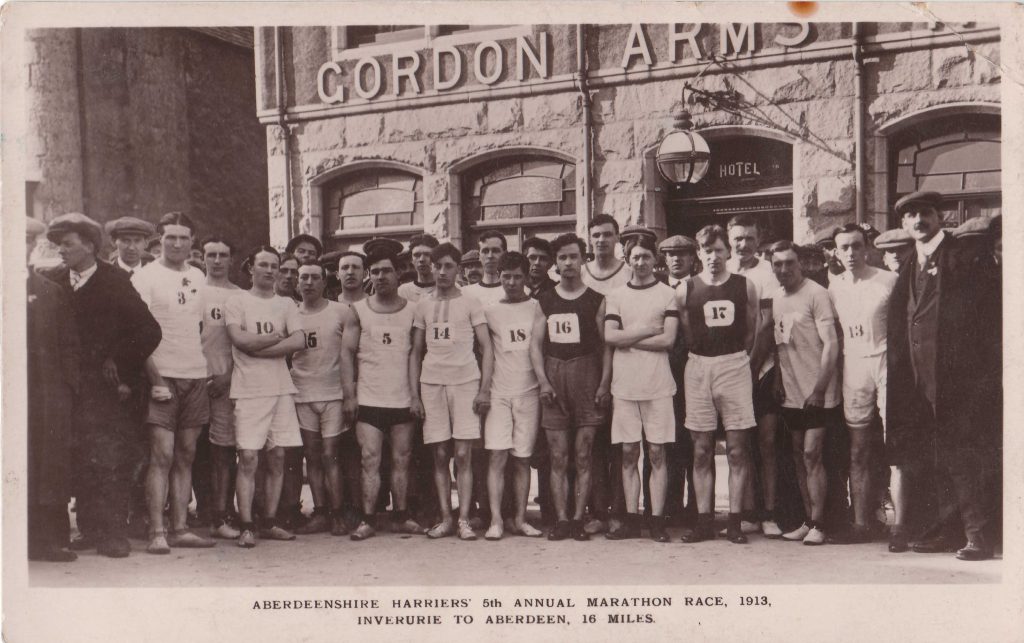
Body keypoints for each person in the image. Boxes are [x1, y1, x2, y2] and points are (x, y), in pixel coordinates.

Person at [887, 191, 997, 561]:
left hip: (959, 381)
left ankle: (978, 536)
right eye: (911, 216)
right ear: (904, 224)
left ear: (939, 217)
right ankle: (947, 531)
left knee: (965, 457)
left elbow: (987, 322)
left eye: (926, 214)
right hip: (919, 382)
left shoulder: (963, 258)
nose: (919, 221)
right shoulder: (907, 266)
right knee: (934, 457)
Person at [44, 213, 162, 558]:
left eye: (68, 244)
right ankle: (90, 530)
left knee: (110, 460)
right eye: (59, 245)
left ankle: (113, 533)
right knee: (79, 457)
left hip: (109, 392)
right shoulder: (54, 281)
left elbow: (149, 330)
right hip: (69, 389)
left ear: (91, 247)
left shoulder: (115, 281)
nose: (61, 251)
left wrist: (119, 361)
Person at [131, 212, 215, 553]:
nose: (177, 243)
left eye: (183, 238)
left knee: (186, 454)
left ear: (192, 241)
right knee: (161, 455)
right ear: (159, 241)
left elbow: (200, 327)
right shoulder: (145, 276)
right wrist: (155, 379)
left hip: (195, 375)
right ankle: (157, 532)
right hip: (161, 376)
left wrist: (206, 370)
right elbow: (138, 336)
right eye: (170, 238)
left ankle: (180, 527)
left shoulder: (198, 275)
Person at [677, 225, 759, 544]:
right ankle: (703, 521)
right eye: (707, 251)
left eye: (719, 250)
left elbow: (752, 329)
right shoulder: (686, 289)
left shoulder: (745, 286)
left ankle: (735, 521)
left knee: (738, 449)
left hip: (734, 364)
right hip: (698, 366)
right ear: (699, 254)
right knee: (701, 449)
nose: (713, 257)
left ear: (729, 252)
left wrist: (737, 360)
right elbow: (686, 331)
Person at [224, 246, 308, 548]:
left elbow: (299, 341)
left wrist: (258, 347)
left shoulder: (286, 304)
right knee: (247, 457)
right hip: (248, 390)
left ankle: (270, 521)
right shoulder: (237, 301)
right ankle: (247, 524)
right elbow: (239, 340)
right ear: (251, 268)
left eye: (275, 265)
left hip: (281, 389)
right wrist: (275, 340)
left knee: (277, 457)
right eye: (264, 265)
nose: (270, 271)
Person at [409, 243, 493, 540]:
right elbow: (415, 352)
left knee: (463, 454)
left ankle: (465, 519)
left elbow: (487, 348)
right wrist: (415, 395)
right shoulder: (423, 304)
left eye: (447, 266)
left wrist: (484, 390)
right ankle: (446, 517)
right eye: (437, 266)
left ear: (458, 268)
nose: (441, 271)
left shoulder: (470, 302)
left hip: (465, 382)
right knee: (440, 453)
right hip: (432, 384)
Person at [342, 250, 427, 540]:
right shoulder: (359, 310)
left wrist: (415, 397)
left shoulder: (414, 309)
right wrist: (349, 396)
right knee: (370, 459)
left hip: (402, 398)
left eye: (386, 271)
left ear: (397, 274)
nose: (380, 277)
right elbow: (347, 354)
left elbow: (417, 354)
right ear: (369, 275)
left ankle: (401, 515)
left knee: (402, 458)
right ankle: (368, 519)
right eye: (375, 271)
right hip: (368, 398)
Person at [534, 233, 611, 540]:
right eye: (562, 257)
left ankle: (580, 518)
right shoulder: (544, 299)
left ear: (583, 259)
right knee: (557, 456)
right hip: (554, 375)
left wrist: (604, 383)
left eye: (573, 257)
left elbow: (607, 346)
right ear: (556, 262)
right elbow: (535, 346)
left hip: (586, 375)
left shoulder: (596, 299)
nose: (568, 262)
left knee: (584, 454)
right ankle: (562, 519)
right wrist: (542, 381)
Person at [603, 235, 679, 542]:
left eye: (646, 256)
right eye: (635, 257)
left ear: (654, 259)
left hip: (659, 386)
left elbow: (669, 341)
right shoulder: (616, 295)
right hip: (624, 387)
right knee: (629, 452)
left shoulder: (667, 294)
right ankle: (631, 519)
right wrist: (648, 329)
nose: (641, 262)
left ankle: (657, 520)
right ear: (627, 259)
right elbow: (610, 337)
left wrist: (628, 337)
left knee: (657, 452)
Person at [827, 223, 899, 546]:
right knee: (858, 449)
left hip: (885, 362)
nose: (851, 253)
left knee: (895, 445)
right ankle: (860, 522)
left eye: (856, 246)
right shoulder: (834, 287)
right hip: (853, 366)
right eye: (844, 248)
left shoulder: (887, 280)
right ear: (836, 252)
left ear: (867, 246)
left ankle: (903, 525)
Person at [769, 240, 841, 546]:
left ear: (800, 264)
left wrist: (820, 389)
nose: (784, 269)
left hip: (818, 391)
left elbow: (832, 345)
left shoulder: (817, 294)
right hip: (792, 391)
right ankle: (807, 519)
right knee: (799, 455)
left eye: (789, 263)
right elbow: (780, 344)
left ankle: (819, 523)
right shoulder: (776, 298)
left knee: (813, 454)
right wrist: (778, 381)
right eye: (778, 264)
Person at [726, 215, 783, 537]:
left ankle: (770, 512)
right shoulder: (724, 271)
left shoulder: (767, 272)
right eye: (738, 238)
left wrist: (751, 365)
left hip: (762, 368)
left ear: (758, 239)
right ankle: (746, 511)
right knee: (740, 444)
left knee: (768, 441)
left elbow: (766, 323)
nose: (743, 244)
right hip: (730, 370)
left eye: (749, 238)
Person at [481, 252, 545, 540]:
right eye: (506, 276)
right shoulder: (490, 310)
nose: (511, 282)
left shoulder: (537, 307)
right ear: (499, 276)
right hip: (499, 393)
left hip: (529, 392)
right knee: (496, 456)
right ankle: (496, 520)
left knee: (522, 459)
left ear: (526, 277)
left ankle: (519, 519)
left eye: (517, 276)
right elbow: (487, 353)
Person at [27, 217, 80, 562]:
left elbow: (69, 347)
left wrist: (67, 392)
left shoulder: (50, 291)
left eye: (22, 240)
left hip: (43, 397)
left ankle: (45, 540)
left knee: (44, 465)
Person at [288, 263, 351, 535]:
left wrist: (350, 392)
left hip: (333, 394)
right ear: (297, 283)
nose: (309, 282)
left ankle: (338, 513)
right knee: (312, 457)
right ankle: (321, 512)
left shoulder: (341, 311)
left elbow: (351, 354)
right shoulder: (290, 313)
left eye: (315, 278)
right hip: (302, 393)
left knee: (330, 455)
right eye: (304, 277)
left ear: (325, 283)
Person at [581, 214, 630, 536]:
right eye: (596, 235)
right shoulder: (578, 273)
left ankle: (620, 510)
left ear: (617, 239)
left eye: (607, 235)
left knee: (621, 444)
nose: (601, 240)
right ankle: (596, 510)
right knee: (593, 444)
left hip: (625, 365)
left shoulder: (627, 272)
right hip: (586, 367)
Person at [199, 236, 242, 540]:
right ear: (202, 257)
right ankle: (196, 512)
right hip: (193, 380)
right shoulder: (191, 292)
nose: (216, 260)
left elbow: (245, 345)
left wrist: (227, 377)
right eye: (211, 254)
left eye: (222, 255)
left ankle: (222, 513)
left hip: (226, 382)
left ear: (231, 260)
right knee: (188, 451)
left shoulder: (240, 297)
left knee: (222, 451)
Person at [656, 234, 699, 526]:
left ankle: (698, 507)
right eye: (671, 254)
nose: (676, 259)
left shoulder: (701, 286)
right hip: (663, 372)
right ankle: (670, 506)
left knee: (697, 441)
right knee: (669, 441)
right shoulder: (657, 290)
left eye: (682, 254)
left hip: (695, 371)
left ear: (692, 257)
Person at [462, 231, 507, 307]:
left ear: (505, 254)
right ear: (479, 256)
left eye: (495, 251)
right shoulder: (465, 293)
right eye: (485, 251)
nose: (490, 256)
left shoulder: (519, 291)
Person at [397, 234, 439, 302]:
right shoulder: (403, 292)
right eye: (417, 255)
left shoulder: (449, 288)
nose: (421, 259)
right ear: (412, 259)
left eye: (427, 254)